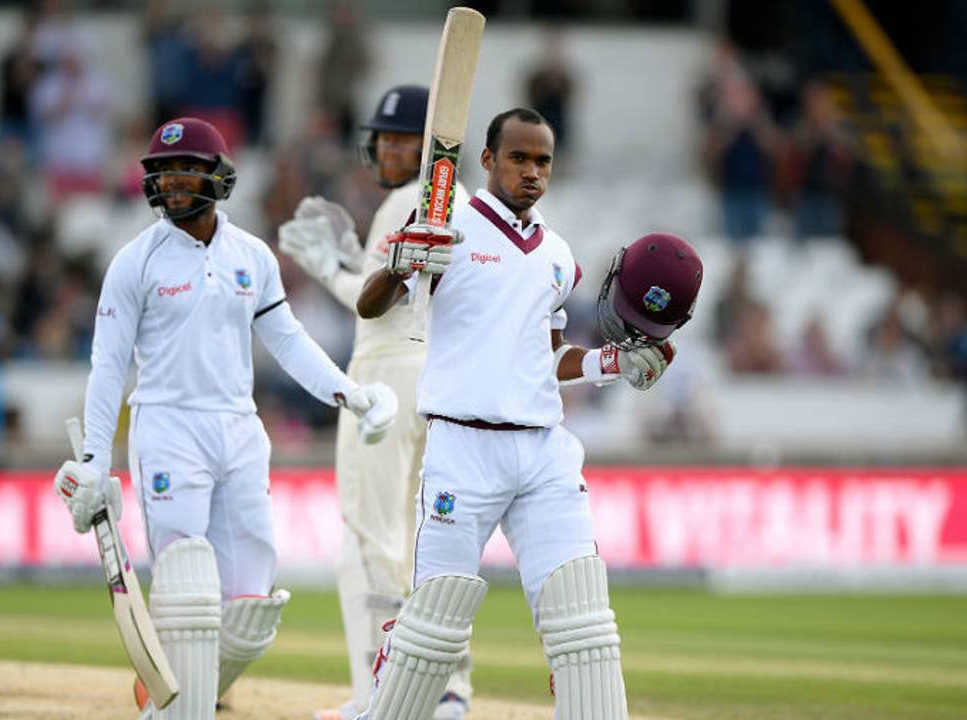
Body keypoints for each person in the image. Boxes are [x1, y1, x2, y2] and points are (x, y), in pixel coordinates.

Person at [353, 108, 702, 720]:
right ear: (487, 160)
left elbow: (544, 355)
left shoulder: (559, 256)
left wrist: (610, 364)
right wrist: (401, 263)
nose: (532, 171)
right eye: (518, 157)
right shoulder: (446, 226)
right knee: (434, 627)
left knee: (583, 620)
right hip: (463, 450)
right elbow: (370, 305)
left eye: (542, 160)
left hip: (543, 451)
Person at [52, 117, 398, 720]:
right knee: (187, 587)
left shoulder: (252, 257)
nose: (175, 182)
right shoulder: (136, 262)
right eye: (164, 172)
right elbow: (107, 366)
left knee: (252, 611)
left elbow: (286, 340)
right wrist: (92, 460)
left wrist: (351, 392)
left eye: (187, 168)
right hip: (167, 428)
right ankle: (182, 706)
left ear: (218, 176)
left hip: (239, 431)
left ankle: (171, 697)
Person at [276, 85, 472, 720]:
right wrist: (347, 265)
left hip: (385, 380)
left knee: (368, 541)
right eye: (382, 137)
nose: (387, 148)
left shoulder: (400, 202)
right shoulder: (464, 203)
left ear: (428, 145)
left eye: (400, 138)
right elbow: (399, 296)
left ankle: (378, 698)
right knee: (423, 548)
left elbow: (376, 305)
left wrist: (330, 266)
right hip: (440, 383)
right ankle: (446, 694)